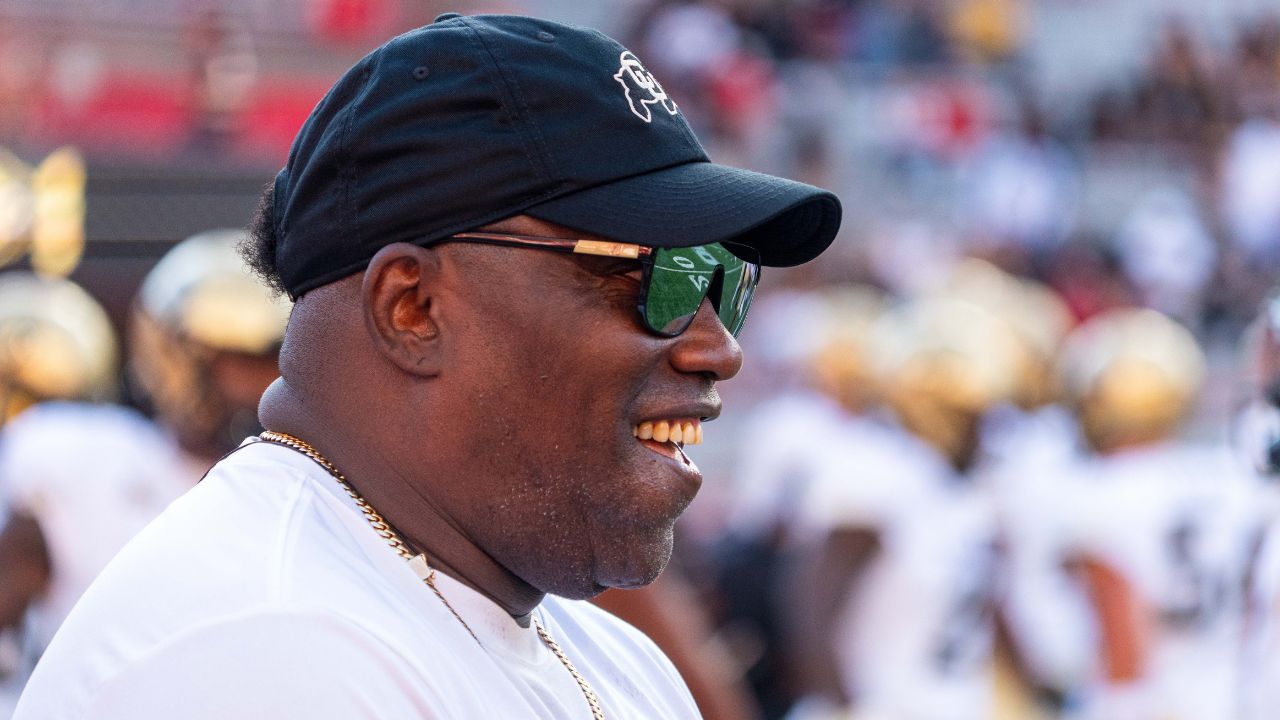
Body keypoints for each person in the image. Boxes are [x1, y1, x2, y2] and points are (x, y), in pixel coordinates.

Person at [14, 13, 840, 719]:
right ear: (412, 308)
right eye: (658, 277)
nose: (716, 347)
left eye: (725, 284)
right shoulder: (264, 647)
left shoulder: (601, 650)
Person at [0, 232, 288, 718]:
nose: (261, 380)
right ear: (182, 356)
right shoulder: (81, 460)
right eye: (241, 359)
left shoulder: (293, 486)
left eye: (269, 356)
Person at [1054, 308, 1257, 720]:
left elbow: (1124, 657)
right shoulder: (1225, 479)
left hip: (1154, 705)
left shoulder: (1100, 494)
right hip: (1229, 699)